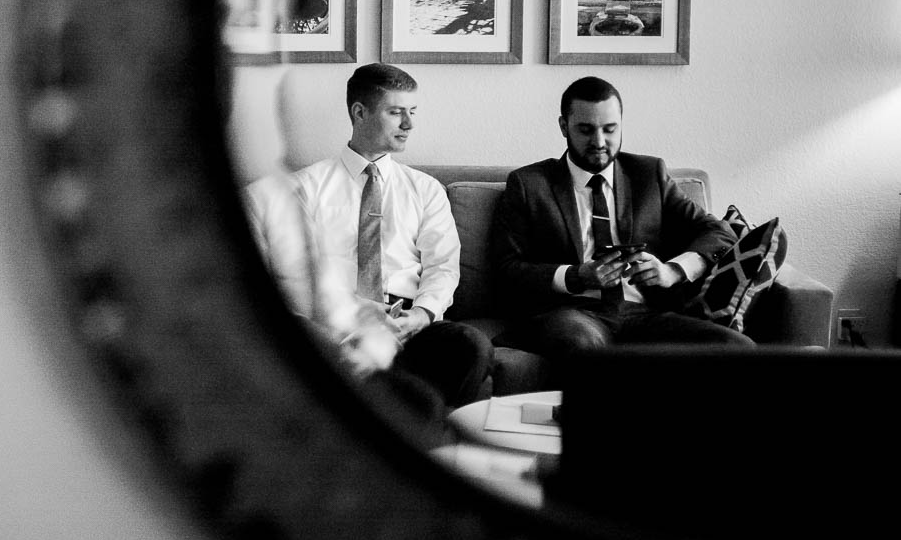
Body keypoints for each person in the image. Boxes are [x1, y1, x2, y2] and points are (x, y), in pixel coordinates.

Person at [490, 76, 754, 364]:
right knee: (584, 345)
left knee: (736, 347)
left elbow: (718, 232)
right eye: (586, 130)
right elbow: (508, 268)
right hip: (572, 313)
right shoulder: (529, 184)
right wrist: (576, 276)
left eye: (610, 129)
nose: (599, 142)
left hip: (644, 314)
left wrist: (672, 271)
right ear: (564, 126)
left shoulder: (648, 174)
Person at [279, 63, 493, 408]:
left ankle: (426, 442)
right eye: (396, 113)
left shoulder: (425, 190)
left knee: (471, 344)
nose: (409, 124)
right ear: (359, 112)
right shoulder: (304, 189)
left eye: (412, 112)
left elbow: (443, 267)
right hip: (340, 329)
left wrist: (422, 314)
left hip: (411, 328)